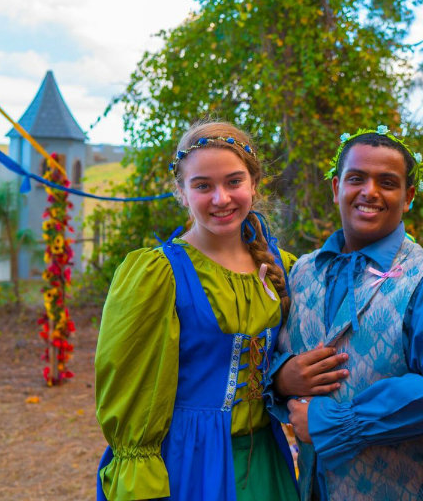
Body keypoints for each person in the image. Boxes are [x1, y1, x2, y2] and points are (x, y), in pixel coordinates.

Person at [270, 126, 423, 501]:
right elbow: (272, 353)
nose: (370, 191)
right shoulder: (302, 271)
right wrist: (282, 378)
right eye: (356, 179)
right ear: (336, 188)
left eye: (387, 182)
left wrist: (333, 421)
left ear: (408, 196)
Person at [94, 121, 298, 501]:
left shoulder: (283, 267)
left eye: (233, 182)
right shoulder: (157, 274)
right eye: (203, 185)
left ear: (254, 185)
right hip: (189, 463)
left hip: (266, 462)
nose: (221, 198)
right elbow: (131, 389)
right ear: (182, 193)